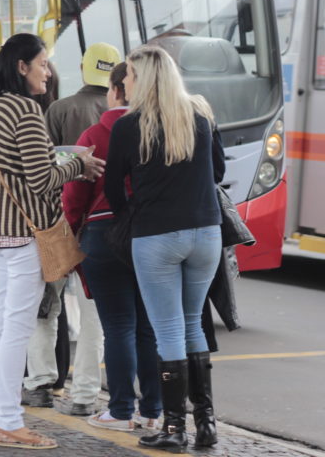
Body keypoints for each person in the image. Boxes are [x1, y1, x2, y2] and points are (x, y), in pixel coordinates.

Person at [0, 33, 103, 450]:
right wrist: (78, 165)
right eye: (43, 63)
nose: (49, 71)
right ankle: (10, 421)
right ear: (22, 66)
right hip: (22, 232)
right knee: (16, 327)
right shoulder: (25, 110)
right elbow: (42, 179)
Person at [105, 45, 224, 452]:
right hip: (206, 233)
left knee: (169, 329)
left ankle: (174, 429)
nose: (127, 82)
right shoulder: (201, 115)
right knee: (193, 325)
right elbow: (219, 171)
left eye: (131, 75)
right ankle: (206, 425)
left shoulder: (128, 125)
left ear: (143, 79)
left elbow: (112, 188)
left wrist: (132, 217)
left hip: (156, 235)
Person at [63, 62, 162, 431]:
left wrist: (74, 233)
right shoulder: (157, 131)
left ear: (118, 90)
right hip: (150, 234)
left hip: (103, 236)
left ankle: (120, 410)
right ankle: (152, 411)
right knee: (148, 327)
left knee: (117, 325)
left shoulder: (95, 133)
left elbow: (74, 195)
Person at [26, 43, 121, 415]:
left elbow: (41, 169)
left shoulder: (58, 109)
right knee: (94, 313)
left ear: (83, 70)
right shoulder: (123, 120)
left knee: (45, 308)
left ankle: (39, 384)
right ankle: (84, 395)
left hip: (55, 221)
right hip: (100, 227)